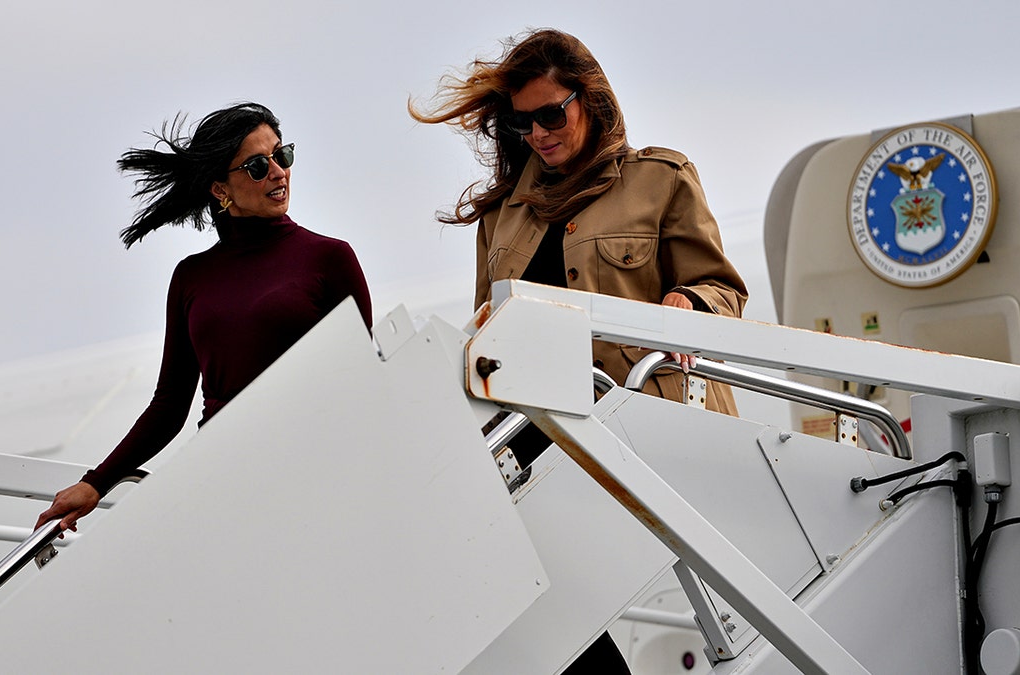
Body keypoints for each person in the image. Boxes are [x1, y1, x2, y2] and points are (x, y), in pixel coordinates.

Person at [411, 28, 748, 673]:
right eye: (521, 123)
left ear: (589, 99)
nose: (537, 134)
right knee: (546, 613)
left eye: (550, 115)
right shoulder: (502, 215)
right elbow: (486, 332)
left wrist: (689, 303)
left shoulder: (662, 179)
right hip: (543, 442)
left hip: (646, 431)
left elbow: (724, 290)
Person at [37, 103, 373, 533]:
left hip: (310, 472)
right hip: (222, 475)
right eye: (257, 166)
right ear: (220, 188)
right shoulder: (191, 277)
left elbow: (362, 380)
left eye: (282, 155)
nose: (278, 172)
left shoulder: (330, 258)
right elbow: (170, 404)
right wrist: (96, 483)